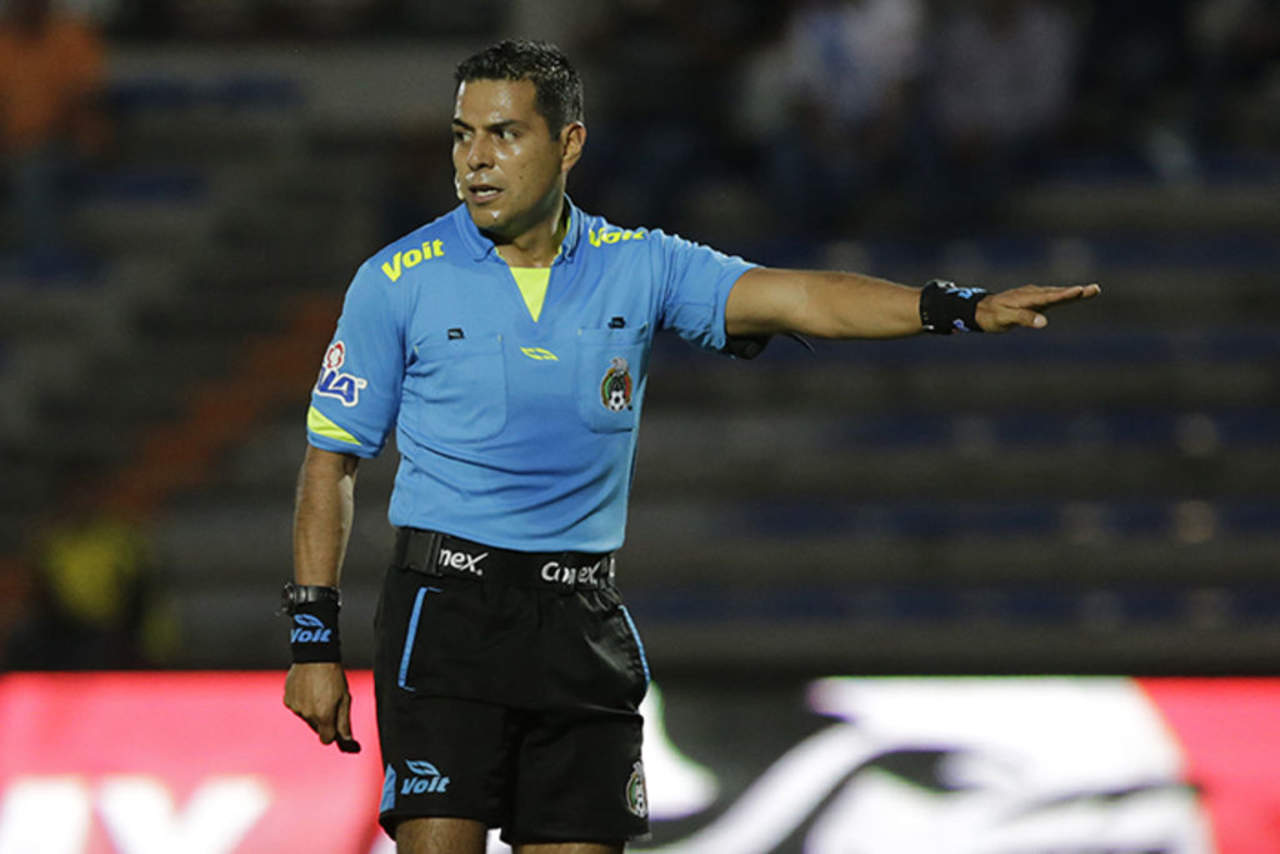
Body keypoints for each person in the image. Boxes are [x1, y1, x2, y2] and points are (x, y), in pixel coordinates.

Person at [282, 39, 1100, 854]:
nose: (476, 159)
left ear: (568, 144)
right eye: (463, 135)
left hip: (580, 620)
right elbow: (330, 465)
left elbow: (801, 297)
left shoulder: (642, 265)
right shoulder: (398, 280)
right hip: (448, 616)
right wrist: (313, 641)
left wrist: (956, 308)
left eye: (505, 134)